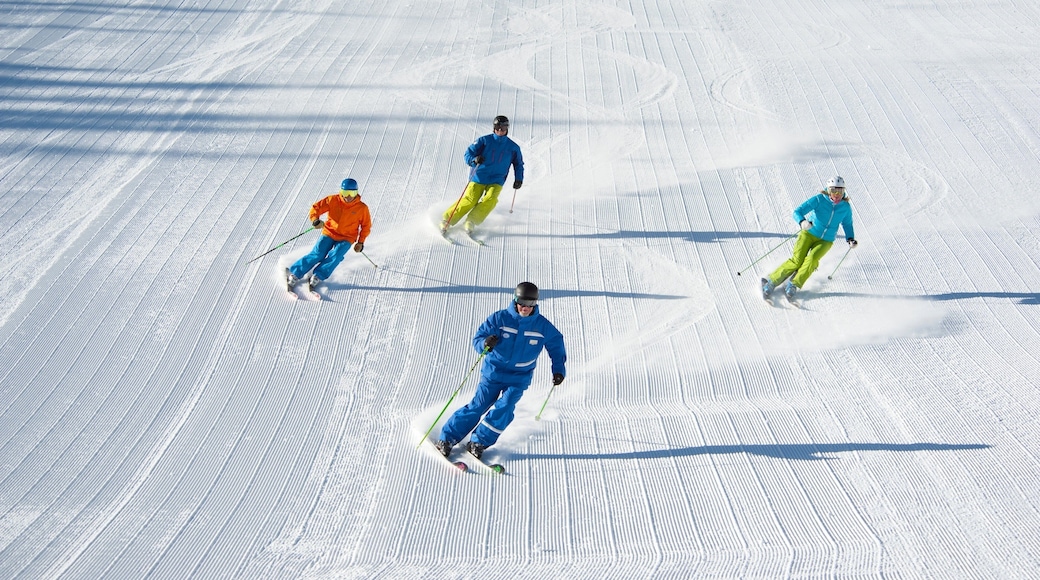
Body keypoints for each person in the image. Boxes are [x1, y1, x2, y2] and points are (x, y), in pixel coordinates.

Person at [435, 282, 566, 459]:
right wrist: (485, 343)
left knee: (505, 408)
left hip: (519, 378)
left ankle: (479, 442)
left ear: (535, 303)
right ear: (515, 299)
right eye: (521, 302)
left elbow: (556, 346)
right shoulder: (500, 319)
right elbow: (478, 338)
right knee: (479, 405)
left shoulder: (542, 326)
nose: (525, 307)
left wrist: (558, 370)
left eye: (530, 304)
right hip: (493, 373)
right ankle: (447, 439)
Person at [762, 176, 857, 300]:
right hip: (808, 234)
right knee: (797, 261)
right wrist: (802, 222)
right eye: (834, 190)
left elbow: (847, 224)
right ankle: (771, 281)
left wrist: (850, 239)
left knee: (812, 261)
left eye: (841, 191)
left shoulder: (845, 207)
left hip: (826, 240)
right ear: (828, 190)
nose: (837, 194)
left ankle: (794, 284)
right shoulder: (819, 200)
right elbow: (797, 211)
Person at [440, 115, 524, 235]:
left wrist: (519, 178)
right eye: (498, 127)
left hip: (497, 179)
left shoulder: (513, 147)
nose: (500, 130)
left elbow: (518, 164)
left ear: (507, 129)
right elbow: (468, 154)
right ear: (494, 128)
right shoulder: (484, 141)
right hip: (479, 176)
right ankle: (448, 220)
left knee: (490, 199)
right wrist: (474, 160)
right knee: (470, 199)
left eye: (503, 128)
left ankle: (471, 221)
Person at [286, 178, 372, 292]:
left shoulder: (362, 208)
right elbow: (316, 208)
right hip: (330, 232)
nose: (348, 196)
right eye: (345, 193)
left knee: (335, 256)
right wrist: (315, 220)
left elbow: (366, 226)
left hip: (347, 237)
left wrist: (360, 242)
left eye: (352, 193)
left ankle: (318, 275)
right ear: (341, 192)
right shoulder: (333, 200)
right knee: (318, 254)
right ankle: (295, 273)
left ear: (357, 193)